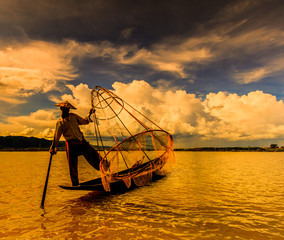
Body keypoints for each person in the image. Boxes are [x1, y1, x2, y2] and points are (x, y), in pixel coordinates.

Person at [49, 100, 101, 186]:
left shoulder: (73, 116)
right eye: (65, 109)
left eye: (68, 109)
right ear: (61, 109)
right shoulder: (60, 122)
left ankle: (106, 168)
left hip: (81, 141)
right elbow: (56, 136)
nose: (67, 111)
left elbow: (84, 121)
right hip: (71, 144)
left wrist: (89, 114)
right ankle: (75, 183)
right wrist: (53, 147)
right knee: (72, 165)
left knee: (93, 155)